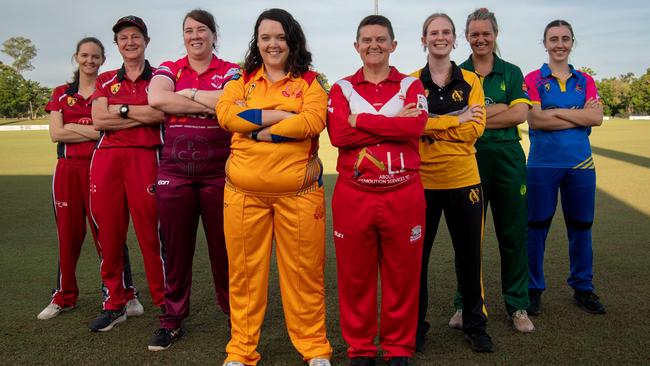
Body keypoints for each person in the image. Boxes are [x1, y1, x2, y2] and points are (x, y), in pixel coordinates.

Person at [216, 8, 332, 366]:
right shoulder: (240, 80)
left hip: (298, 195)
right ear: (257, 41)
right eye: (265, 37)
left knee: (305, 275)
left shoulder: (311, 82)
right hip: (242, 194)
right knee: (245, 276)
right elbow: (225, 115)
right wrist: (283, 116)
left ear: (291, 39)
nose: (272, 44)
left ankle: (314, 349)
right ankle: (241, 351)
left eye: (280, 37)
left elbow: (313, 121)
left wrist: (254, 126)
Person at [328, 15, 428, 366]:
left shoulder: (411, 85)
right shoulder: (341, 88)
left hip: (404, 193)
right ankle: (361, 348)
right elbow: (338, 136)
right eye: (367, 40)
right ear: (356, 46)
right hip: (354, 195)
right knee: (356, 276)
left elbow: (415, 125)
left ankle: (398, 347)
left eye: (381, 39)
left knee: (403, 275)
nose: (374, 45)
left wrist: (362, 121)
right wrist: (392, 125)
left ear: (393, 45)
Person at [146, 9, 240, 351]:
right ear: (182, 36)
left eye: (202, 30)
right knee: (176, 251)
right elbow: (155, 99)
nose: (195, 35)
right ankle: (171, 321)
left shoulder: (231, 70)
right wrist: (207, 103)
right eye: (188, 30)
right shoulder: (169, 68)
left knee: (226, 250)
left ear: (214, 35)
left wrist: (186, 97)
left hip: (221, 173)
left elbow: (233, 103)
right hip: (174, 173)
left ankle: (236, 318)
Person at [38, 37, 142, 320]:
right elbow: (56, 134)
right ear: (76, 57)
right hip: (68, 170)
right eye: (85, 55)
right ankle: (64, 296)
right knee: (67, 236)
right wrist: (91, 126)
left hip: (101, 168)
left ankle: (127, 293)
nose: (89, 61)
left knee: (109, 234)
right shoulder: (61, 92)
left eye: (95, 56)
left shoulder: (107, 89)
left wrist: (75, 125)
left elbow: (105, 131)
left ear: (102, 60)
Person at [412, 13, 495, 353]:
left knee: (469, 256)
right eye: (434, 32)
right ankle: (414, 327)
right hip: (421, 181)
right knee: (417, 259)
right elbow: (412, 126)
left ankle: (475, 324)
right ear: (424, 39)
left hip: (464, 179)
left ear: (454, 39)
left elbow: (474, 128)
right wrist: (452, 119)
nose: (440, 37)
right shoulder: (412, 82)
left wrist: (433, 123)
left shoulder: (471, 80)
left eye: (446, 32)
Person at [454, 8, 535, 333]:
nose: (480, 39)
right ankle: (465, 304)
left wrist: (477, 114)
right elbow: (454, 117)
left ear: (495, 34)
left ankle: (518, 306)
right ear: (467, 36)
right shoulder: (457, 72)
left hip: (507, 158)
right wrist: (498, 109)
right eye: (474, 34)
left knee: (512, 233)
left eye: (486, 33)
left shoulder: (511, 72)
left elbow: (519, 115)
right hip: (467, 156)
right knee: (468, 237)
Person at [88, 15, 165, 332]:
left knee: (152, 235)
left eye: (135, 36)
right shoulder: (106, 78)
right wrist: (136, 113)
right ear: (117, 44)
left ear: (146, 40)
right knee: (109, 235)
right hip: (106, 159)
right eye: (123, 38)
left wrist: (117, 110)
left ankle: (166, 305)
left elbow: (159, 112)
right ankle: (115, 302)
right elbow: (99, 121)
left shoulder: (161, 76)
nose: (130, 42)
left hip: (145, 158)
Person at [524, 20, 605, 316]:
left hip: (580, 163)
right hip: (542, 163)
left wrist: (554, 111)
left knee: (581, 226)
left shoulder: (586, 80)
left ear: (572, 42)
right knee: (536, 228)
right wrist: (576, 114)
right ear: (544, 43)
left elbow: (596, 119)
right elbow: (535, 120)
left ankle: (583, 287)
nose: (559, 44)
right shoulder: (532, 78)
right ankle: (533, 289)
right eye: (553, 39)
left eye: (565, 39)